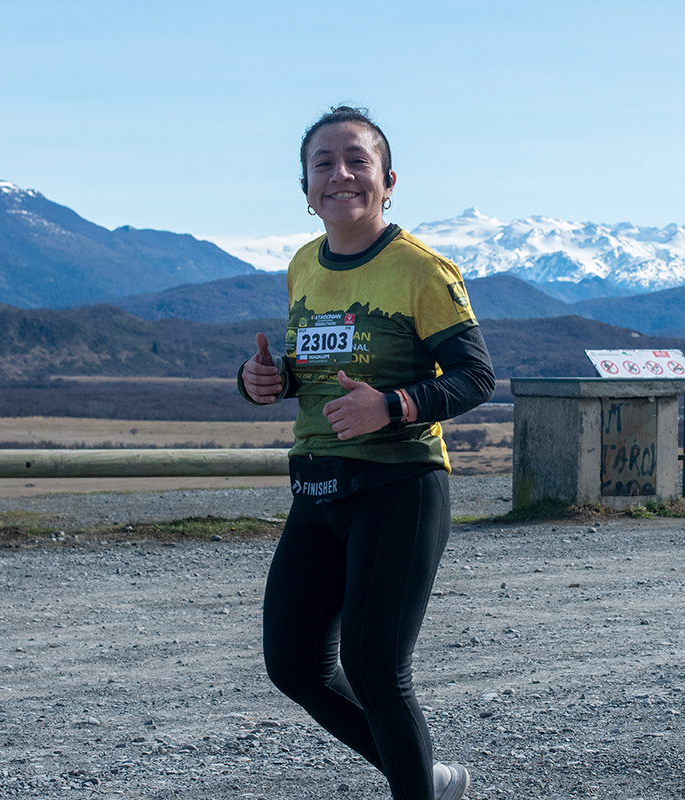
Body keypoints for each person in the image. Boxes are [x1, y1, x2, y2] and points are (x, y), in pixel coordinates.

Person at [238, 105, 495, 800]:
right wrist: (266, 380)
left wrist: (393, 406)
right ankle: (425, 780)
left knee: (376, 668)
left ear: (388, 181)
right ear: (305, 186)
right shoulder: (303, 265)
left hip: (399, 484)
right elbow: (314, 369)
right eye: (323, 163)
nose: (341, 175)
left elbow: (476, 377)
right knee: (294, 664)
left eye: (358, 160)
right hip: (317, 486)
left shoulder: (420, 270)